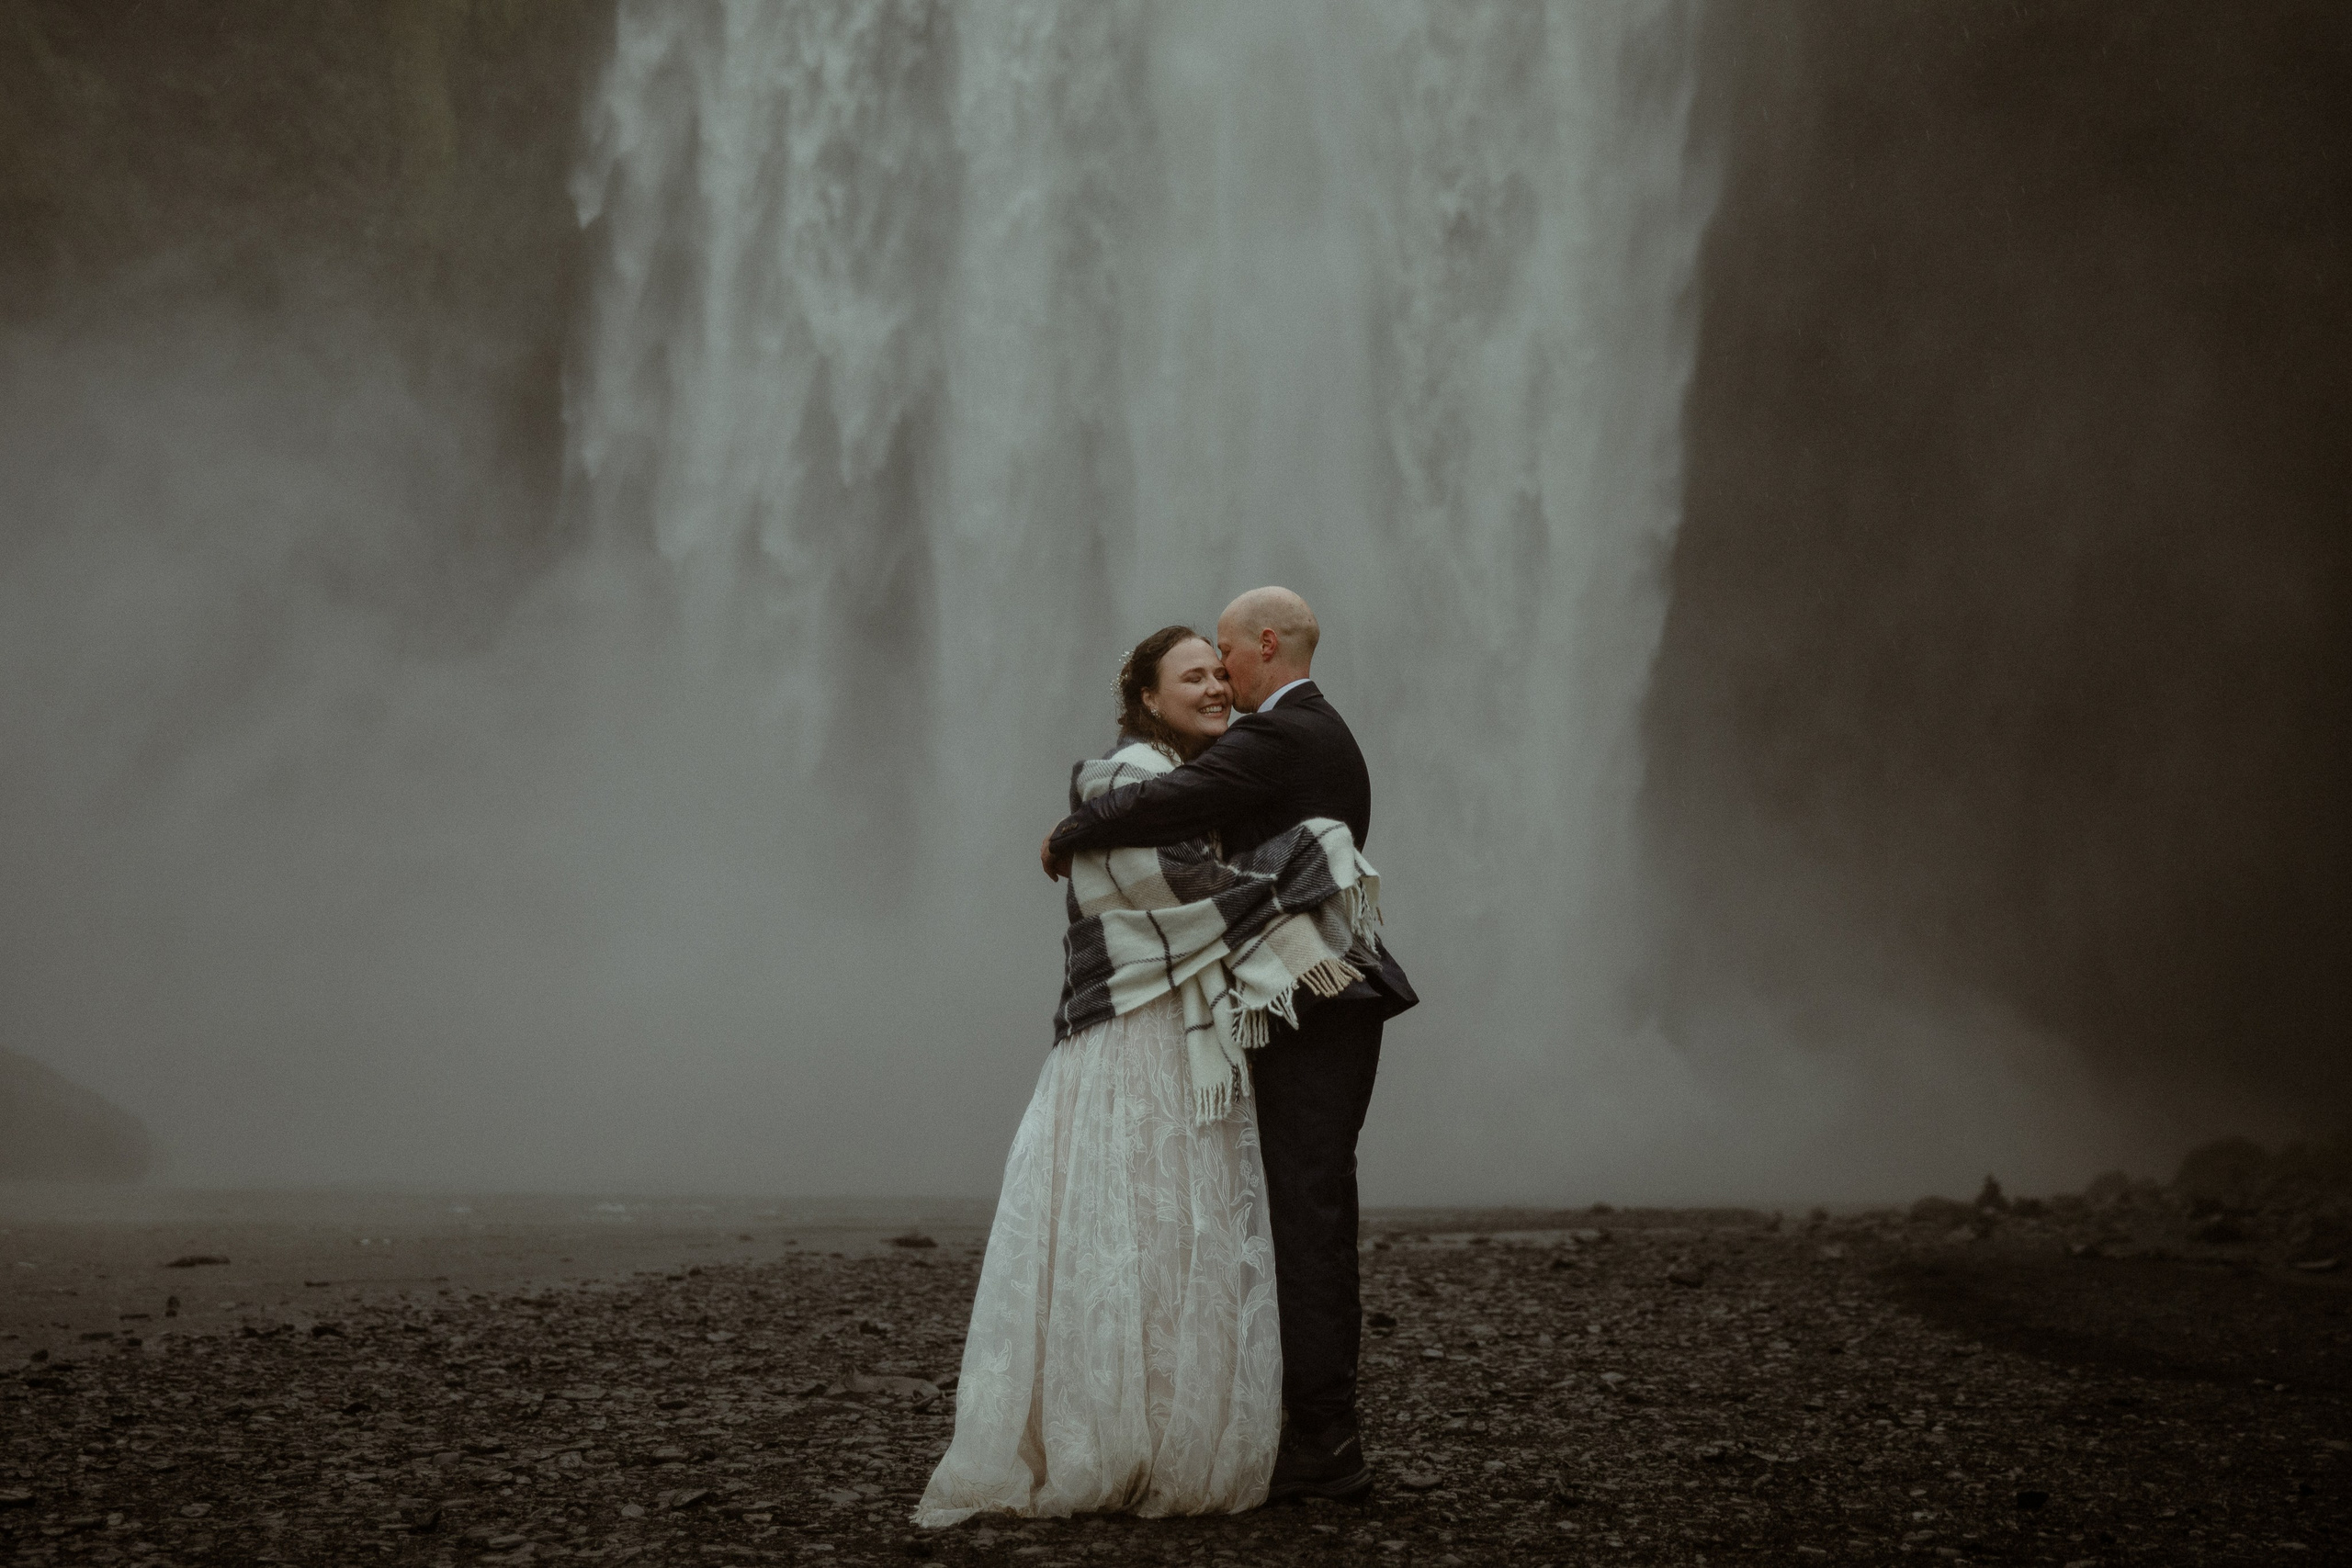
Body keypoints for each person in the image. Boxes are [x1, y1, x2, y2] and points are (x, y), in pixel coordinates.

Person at [1039, 587, 1417, 1504]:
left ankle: (1325, 1443)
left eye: (1224, 653)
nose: (1219, 674)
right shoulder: (1316, 730)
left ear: (1266, 644)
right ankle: (1306, 1429)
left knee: (1306, 1218)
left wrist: (1073, 827)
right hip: (1322, 1000)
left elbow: (1170, 799)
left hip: (1315, 1006)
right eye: (1197, 668)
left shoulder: (1283, 732)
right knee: (1306, 1211)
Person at [914, 626, 1288, 1525]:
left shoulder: (1178, 790)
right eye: (1191, 677)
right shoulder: (1125, 781)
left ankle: (1158, 1431)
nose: (1214, 687)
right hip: (1132, 1034)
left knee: (1169, 1235)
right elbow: (1181, 892)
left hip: (1174, 1035)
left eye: (1219, 674)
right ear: (1147, 699)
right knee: (1130, 1230)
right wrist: (1305, 873)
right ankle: (1111, 1436)